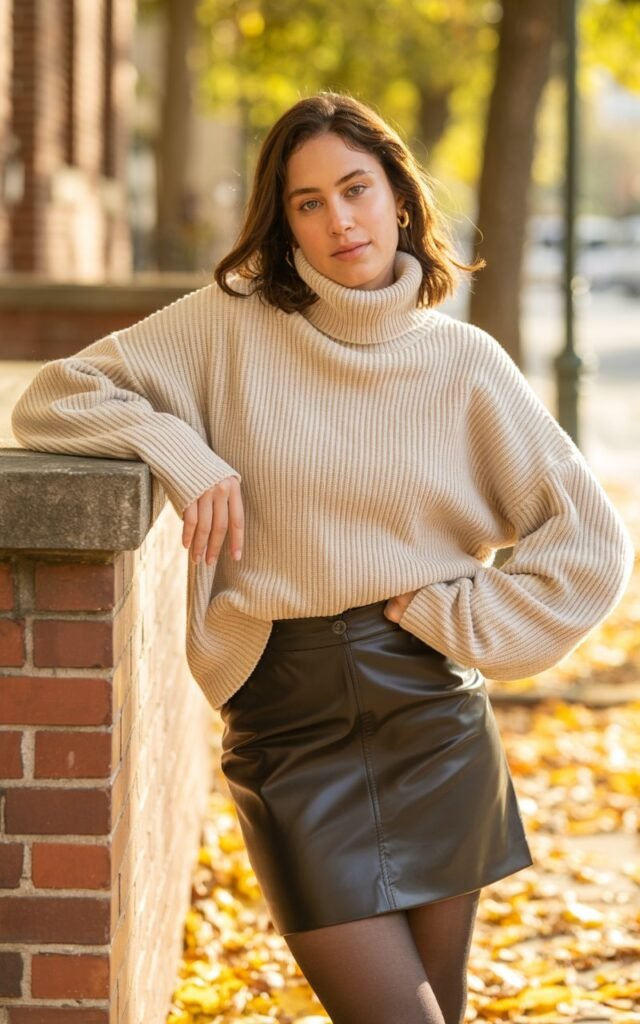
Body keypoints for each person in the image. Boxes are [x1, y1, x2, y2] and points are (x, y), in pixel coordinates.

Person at [11, 92, 634, 1024]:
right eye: (308, 202)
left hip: (433, 715)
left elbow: (589, 543)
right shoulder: (230, 324)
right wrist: (180, 452)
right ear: (284, 221)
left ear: (399, 199)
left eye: (356, 189)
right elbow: (56, 396)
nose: (339, 220)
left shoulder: (465, 363)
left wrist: (459, 617)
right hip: (288, 722)